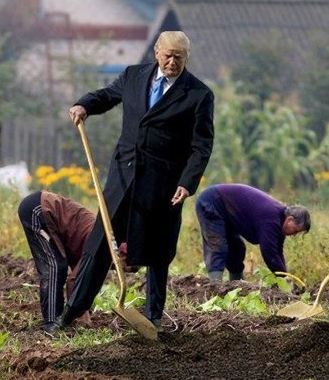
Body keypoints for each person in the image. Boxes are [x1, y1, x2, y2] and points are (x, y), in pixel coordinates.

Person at [60, 30, 214, 332]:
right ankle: (73, 311)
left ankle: (153, 316)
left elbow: (202, 145)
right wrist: (84, 105)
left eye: (179, 58)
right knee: (101, 241)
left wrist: (187, 182)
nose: (172, 62)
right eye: (168, 55)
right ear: (156, 52)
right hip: (123, 175)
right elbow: (107, 96)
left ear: (186, 58)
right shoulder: (133, 76)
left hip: (164, 185)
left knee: (158, 250)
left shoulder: (198, 95)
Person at [195, 183, 310, 282]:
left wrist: (285, 276)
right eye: (295, 230)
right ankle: (215, 287)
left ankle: (235, 285)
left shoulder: (279, 221)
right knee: (218, 246)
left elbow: (277, 252)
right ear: (289, 219)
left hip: (227, 214)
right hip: (212, 202)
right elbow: (269, 253)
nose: (294, 234)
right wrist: (284, 278)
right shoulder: (272, 218)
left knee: (237, 248)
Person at [18, 190, 97, 333]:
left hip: (44, 209)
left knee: (59, 266)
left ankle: (58, 319)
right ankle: (52, 322)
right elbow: (75, 281)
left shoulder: (100, 239)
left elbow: (80, 275)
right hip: (38, 209)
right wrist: (78, 315)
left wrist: (83, 313)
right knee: (54, 267)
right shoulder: (100, 247)